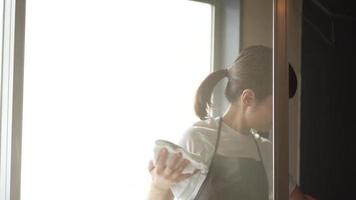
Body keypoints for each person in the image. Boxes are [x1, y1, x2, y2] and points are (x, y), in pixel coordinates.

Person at [147, 45, 316, 200]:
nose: (282, 115)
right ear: (248, 98)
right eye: (278, 106)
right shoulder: (199, 139)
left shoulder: (266, 151)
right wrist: (158, 187)